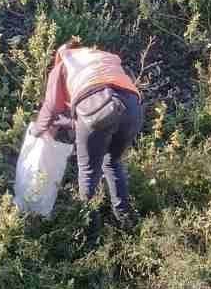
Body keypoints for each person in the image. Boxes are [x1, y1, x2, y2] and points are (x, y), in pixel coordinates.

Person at [33, 38, 143, 225]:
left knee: (88, 170)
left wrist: (37, 130)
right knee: (112, 161)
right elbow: (109, 101)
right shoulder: (102, 58)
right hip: (133, 108)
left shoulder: (64, 64)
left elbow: (51, 107)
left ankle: (88, 226)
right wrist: (70, 122)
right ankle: (126, 221)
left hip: (95, 106)